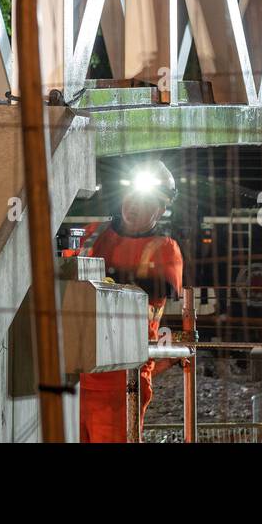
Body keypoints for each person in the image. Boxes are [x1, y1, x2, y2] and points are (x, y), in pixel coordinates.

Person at [76, 163, 184, 443]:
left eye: (145, 201)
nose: (134, 206)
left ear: (159, 210)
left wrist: (107, 277)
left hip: (123, 377)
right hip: (76, 372)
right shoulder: (94, 233)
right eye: (131, 197)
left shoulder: (163, 247)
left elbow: (165, 288)